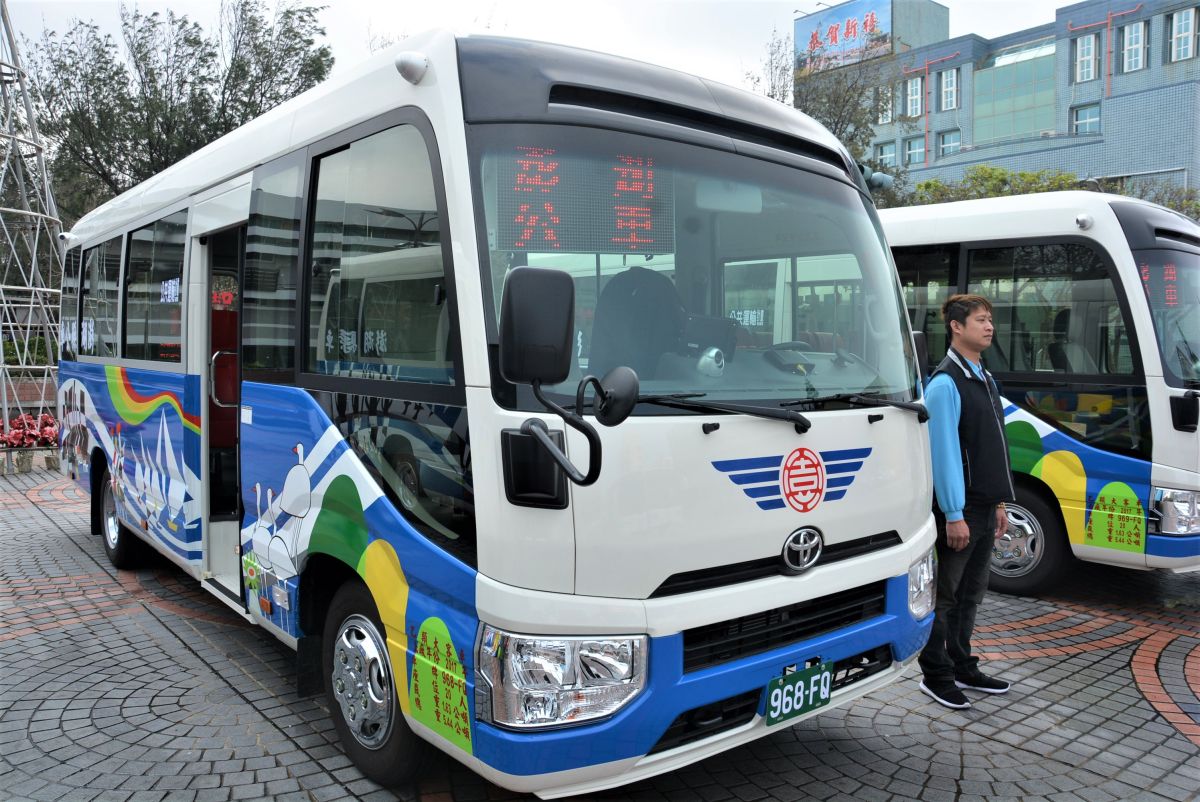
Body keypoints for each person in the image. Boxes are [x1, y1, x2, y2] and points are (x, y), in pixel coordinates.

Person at [918, 294, 1016, 710]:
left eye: (990, 319)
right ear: (956, 327)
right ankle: (936, 674)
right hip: (960, 512)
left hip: (984, 507)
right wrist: (953, 514)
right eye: (980, 320)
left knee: (971, 595)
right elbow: (943, 454)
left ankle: (962, 664)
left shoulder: (985, 378)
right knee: (945, 597)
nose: (989, 326)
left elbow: (992, 447)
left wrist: (999, 502)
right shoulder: (945, 384)